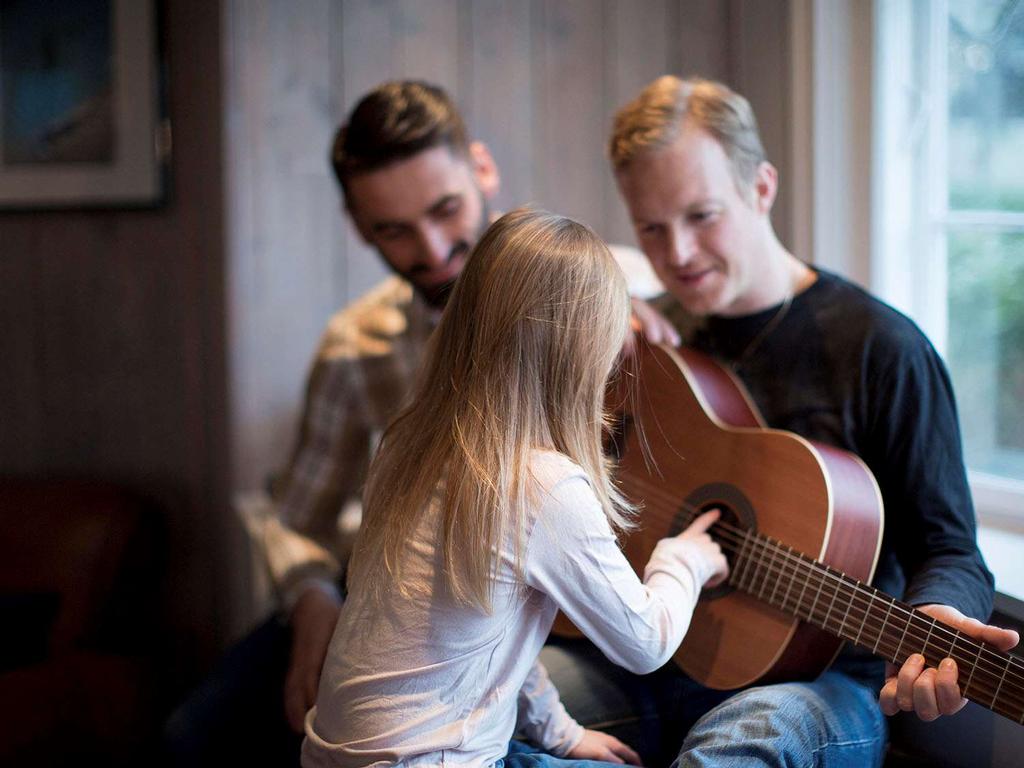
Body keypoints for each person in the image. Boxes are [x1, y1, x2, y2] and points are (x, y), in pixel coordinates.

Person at [164, 80, 656, 765]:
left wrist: (630, 336)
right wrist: (311, 603)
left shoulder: (613, 286)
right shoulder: (354, 348)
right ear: (357, 225)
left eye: (445, 210)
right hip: (381, 598)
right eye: (392, 230)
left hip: (543, 599)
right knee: (197, 731)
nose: (430, 248)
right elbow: (296, 519)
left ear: (482, 169)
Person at [540, 74, 1020, 767]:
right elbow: (571, 493)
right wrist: (590, 365)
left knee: (745, 741)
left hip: (822, 680)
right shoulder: (652, 345)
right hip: (654, 652)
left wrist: (936, 618)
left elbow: (949, 546)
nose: (675, 254)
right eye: (651, 228)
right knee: (487, 704)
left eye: (702, 216)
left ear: (761, 188)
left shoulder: (881, 347)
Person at [301, 207, 730, 768]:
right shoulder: (542, 485)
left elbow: (492, 628)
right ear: (580, 355)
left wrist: (560, 733)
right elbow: (646, 642)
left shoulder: (406, 445)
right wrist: (685, 560)